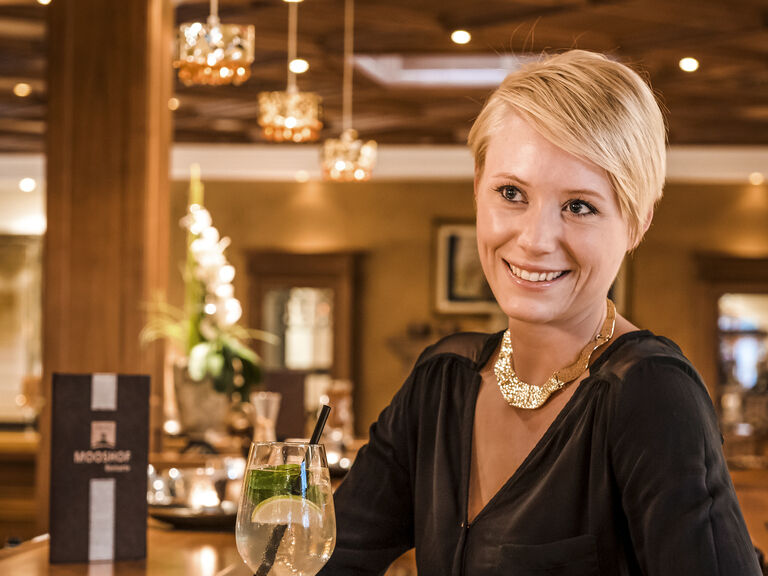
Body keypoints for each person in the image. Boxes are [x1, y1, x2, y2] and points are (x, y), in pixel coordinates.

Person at [319, 50, 762, 575]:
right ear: (477, 190)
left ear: (637, 222)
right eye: (511, 193)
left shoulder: (650, 392)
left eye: (579, 206)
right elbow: (327, 559)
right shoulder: (444, 379)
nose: (534, 240)